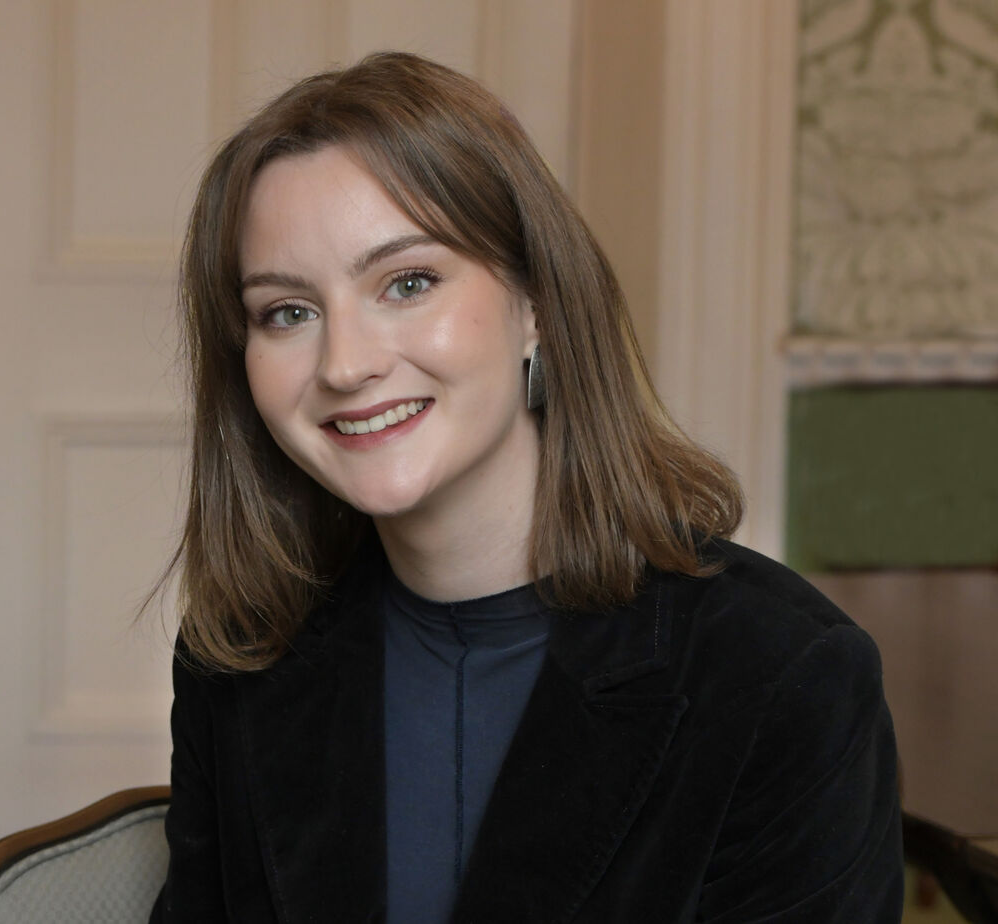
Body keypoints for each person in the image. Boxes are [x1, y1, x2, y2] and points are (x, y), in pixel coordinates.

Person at [149, 52, 904, 923]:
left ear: (536, 300)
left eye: (407, 283)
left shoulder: (785, 674)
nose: (345, 365)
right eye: (288, 311)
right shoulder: (238, 656)